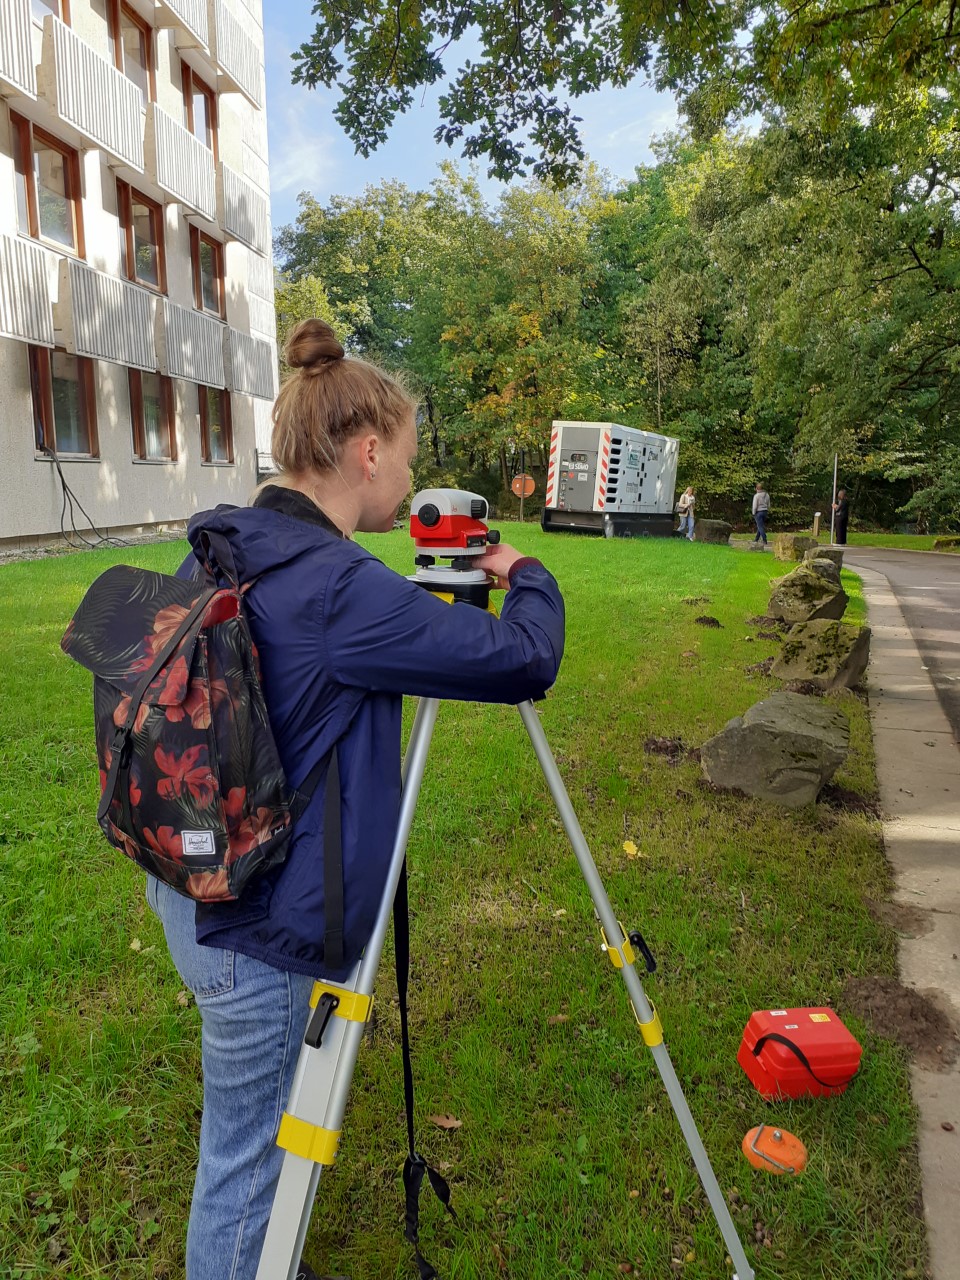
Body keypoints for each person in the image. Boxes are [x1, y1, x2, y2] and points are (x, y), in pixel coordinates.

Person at [146, 319, 565, 1280]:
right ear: (367, 451)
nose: (408, 485)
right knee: (248, 1169)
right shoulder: (338, 588)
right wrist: (524, 574)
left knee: (245, 1147)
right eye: (406, 463)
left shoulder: (231, 542)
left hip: (190, 884)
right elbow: (522, 659)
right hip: (257, 932)